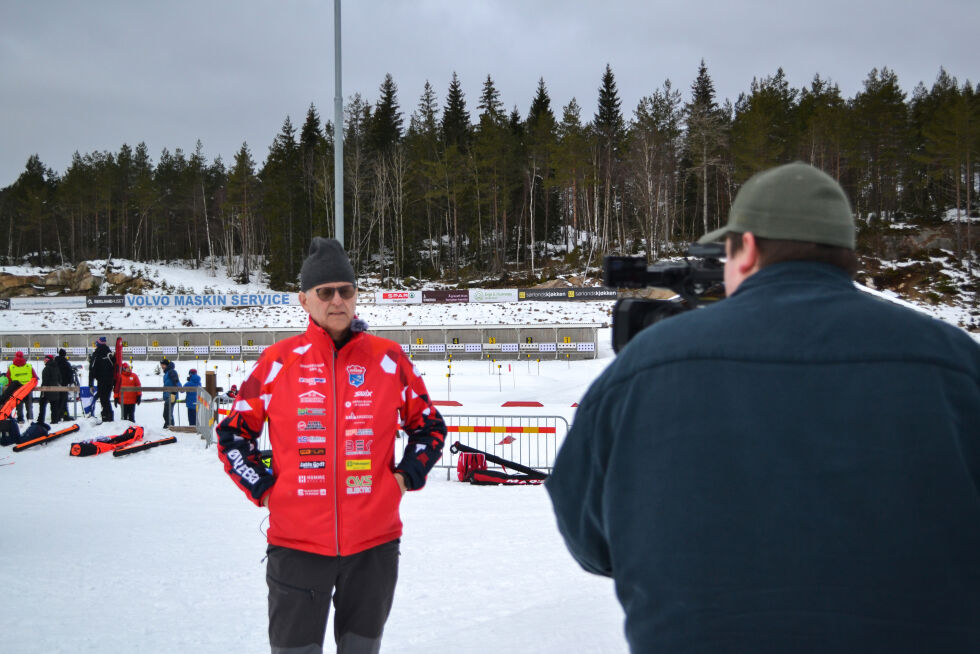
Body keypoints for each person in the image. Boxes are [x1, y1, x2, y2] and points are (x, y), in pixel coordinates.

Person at [546, 162, 980, 653]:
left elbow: (588, 535)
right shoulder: (955, 359)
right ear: (847, 256)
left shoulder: (648, 364)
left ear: (746, 249)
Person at [216, 237, 447, 654]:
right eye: (326, 292)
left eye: (347, 290)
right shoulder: (277, 362)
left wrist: (403, 479)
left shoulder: (388, 358)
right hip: (297, 546)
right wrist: (266, 490)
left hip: (373, 546)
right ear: (304, 300)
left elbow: (428, 427)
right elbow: (233, 434)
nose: (337, 300)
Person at [6, 351, 37, 424]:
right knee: (29, 404)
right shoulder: (28, 366)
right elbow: (34, 377)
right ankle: (30, 418)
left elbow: (8, 378)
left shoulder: (11, 367)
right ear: (23, 356)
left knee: (19, 404)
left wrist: (10, 387)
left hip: (17, 388)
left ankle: (20, 419)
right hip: (28, 387)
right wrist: (33, 386)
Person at [88, 336, 115, 422]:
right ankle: (108, 415)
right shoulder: (109, 353)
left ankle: (106, 416)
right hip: (110, 380)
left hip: (101, 380)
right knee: (106, 398)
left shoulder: (97, 354)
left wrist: (91, 384)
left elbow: (92, 369)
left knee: (103, 399)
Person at [35, 354, 62, 425]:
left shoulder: (46, 369)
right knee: (54, 405)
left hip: (47, 389)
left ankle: (40, 420)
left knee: (42, 404)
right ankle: (55, 420)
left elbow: (45, 380)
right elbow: (60, 379)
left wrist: (43, 388)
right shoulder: (57, 368)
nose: (44, 361)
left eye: (46, 360)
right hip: (55, 389)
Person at [55, 348, 75, 421]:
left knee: (57, 400)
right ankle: (65, 415)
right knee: (64, 400)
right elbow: (70, 373)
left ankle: (57, 416)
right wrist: (71, 381)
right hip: (64, 384)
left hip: (56, 384)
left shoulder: (55, 362)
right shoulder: (66, 363)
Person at [160, 358, 179, 429]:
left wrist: (174, 392)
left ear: (167, 365)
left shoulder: (171, 371)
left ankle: (170, 426)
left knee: (168, 413)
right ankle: (168, 425)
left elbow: (175, 381)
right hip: (168, 395)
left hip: (172, 395)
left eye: (163, 365)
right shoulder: (167, 373)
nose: (162, 366)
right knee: (166, 413)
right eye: (161, 365)